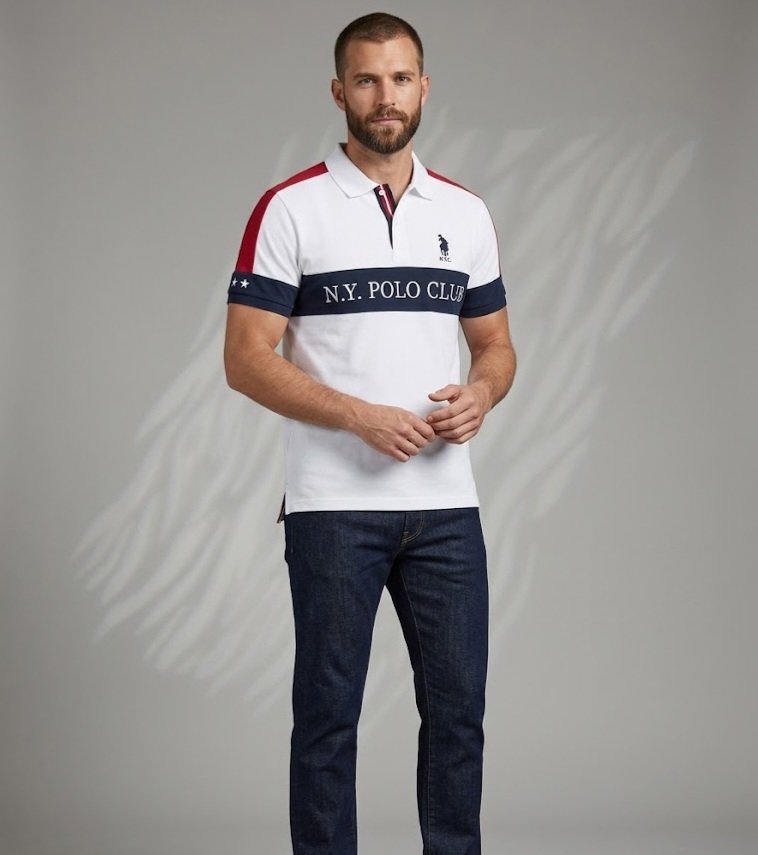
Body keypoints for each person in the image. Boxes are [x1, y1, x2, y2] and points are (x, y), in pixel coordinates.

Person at [224, 12, 516, 854]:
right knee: (327, 719)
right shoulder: (290, 208)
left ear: (423, 87)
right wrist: (360, 414)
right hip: (332, 508)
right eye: (366, 79)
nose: (384, 96)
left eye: (399, 78)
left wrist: (483, 394)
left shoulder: (465, 213)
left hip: (447, 509)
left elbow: (495, 345)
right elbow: (245, 359)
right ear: (338, 91)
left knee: (458, 716)